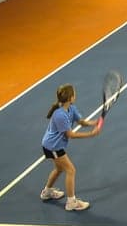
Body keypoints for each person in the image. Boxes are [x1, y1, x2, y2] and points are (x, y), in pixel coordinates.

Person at [41, 83, 100, 211]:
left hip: (52, 145)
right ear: (71, 97)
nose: (76, 95)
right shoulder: (59, 115)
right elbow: (70, 135)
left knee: (59, 169)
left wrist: (94, 122)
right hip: (53, 147)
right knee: (70, 170)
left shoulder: (71, 108)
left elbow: (81, 122)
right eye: (74, 93)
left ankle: (47, 192)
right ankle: (71, 202)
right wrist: (91, 134)